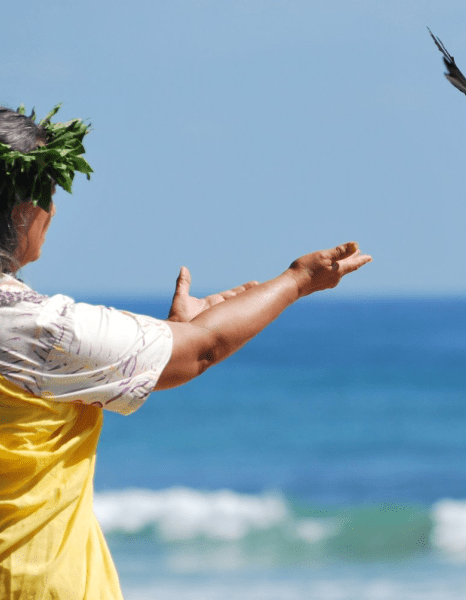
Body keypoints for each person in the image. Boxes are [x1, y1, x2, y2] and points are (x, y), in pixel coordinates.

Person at [0, 106, 371, 599]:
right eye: (48, 196)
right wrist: (299, 280)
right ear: (21, 211)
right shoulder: (40, 331)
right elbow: (201, 351)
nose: (53, 212)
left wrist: (174, 332)